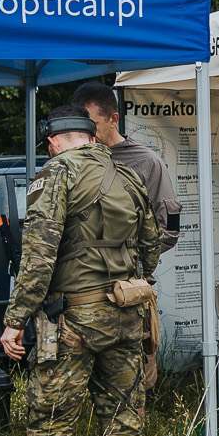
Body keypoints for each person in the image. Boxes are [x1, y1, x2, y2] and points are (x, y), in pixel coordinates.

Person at [0, 103, 163, 436]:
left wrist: (15, 320)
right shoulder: (128, 176)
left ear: (52, 142)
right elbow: (152, 248)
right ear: (91, 137)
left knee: (52, 426)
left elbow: (38, 257)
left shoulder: (55, 175)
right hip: (127, 315)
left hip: (73, 321)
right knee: (125, 423)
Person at [73, 80, 177, 389]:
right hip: (81, 298)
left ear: (113, 118)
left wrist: (132, 263)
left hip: (128, 298)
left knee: (132, 391)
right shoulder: (73, 161)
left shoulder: (146, 163)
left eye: (91, 124)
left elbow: (169, 229)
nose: (86, 134)